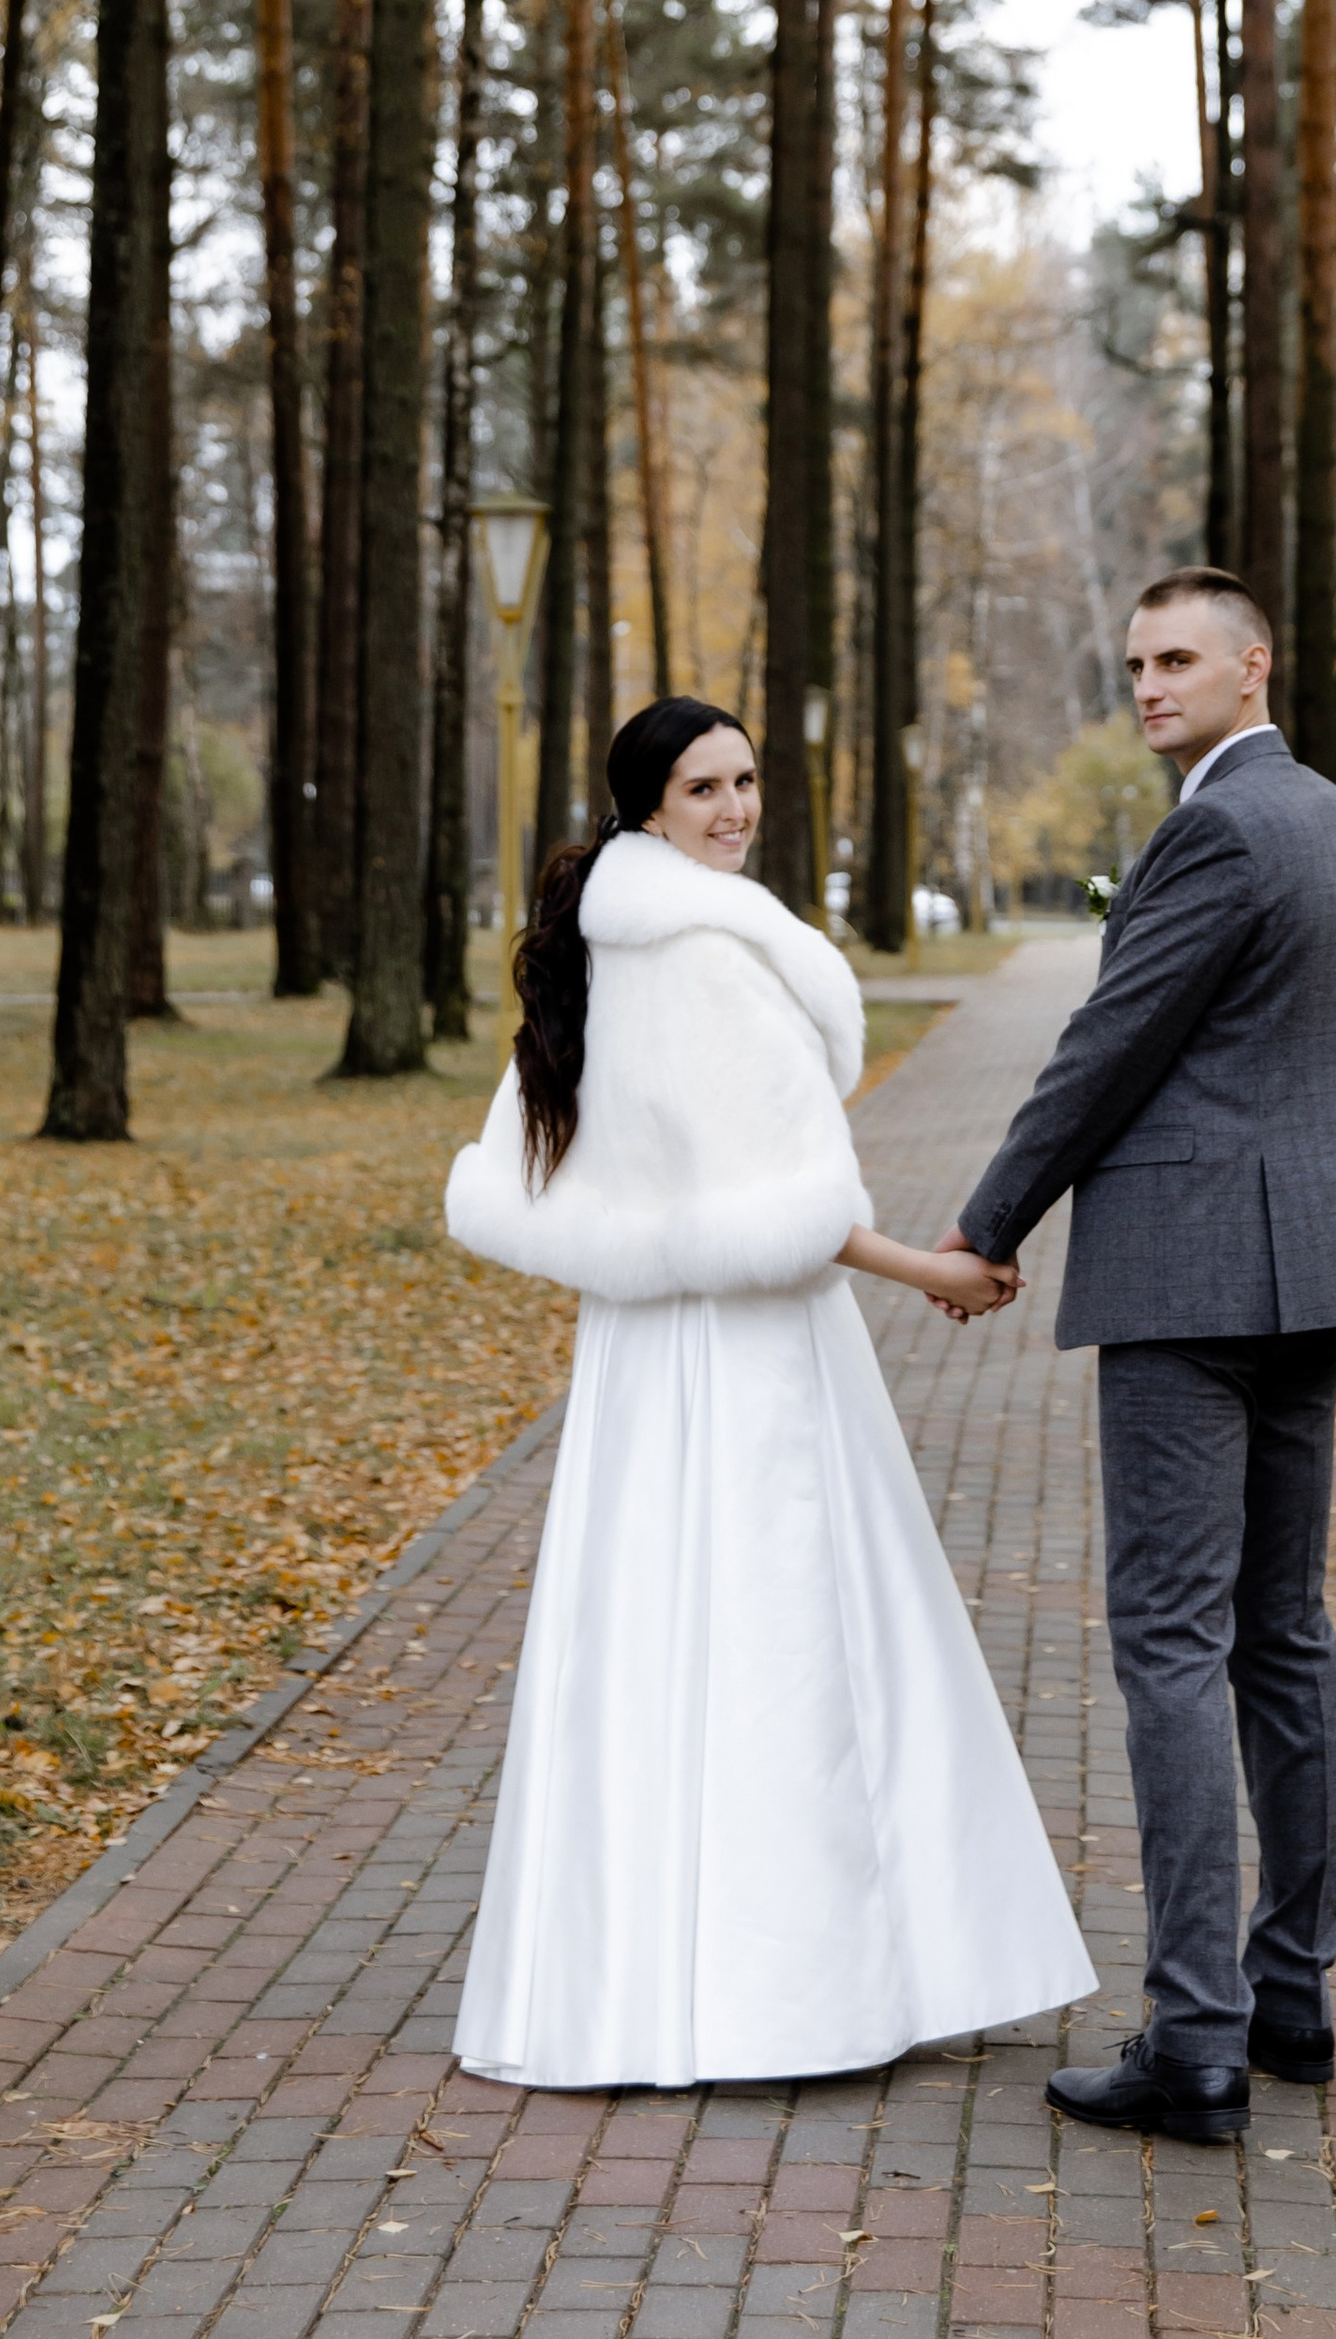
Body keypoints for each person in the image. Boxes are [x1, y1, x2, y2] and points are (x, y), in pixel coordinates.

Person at [443, 694, 1095, 2092]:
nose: (734, 808)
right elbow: (785, 1209)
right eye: (703, 788)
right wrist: (938, 1267)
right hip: (747, 1351)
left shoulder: (609, 944)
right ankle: (787, 1995)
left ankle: (625, 1985)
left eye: (744, 780)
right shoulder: (704, 954)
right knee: (786, 1637)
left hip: (641, 1351)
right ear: (648, 806)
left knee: (649, 1640)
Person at [944, 571, 1336, 2147]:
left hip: (1193, 1279)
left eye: (1176, 659)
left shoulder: (1216, 830)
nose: (1149, 684)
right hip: (1315, 1275)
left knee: (1170, 1638)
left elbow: (1111, 1044)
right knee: (1282, 1633)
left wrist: (988, 1219)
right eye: (1137, 661)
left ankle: (1195, 2036)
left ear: (1251, 665)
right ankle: (1292, 1995)